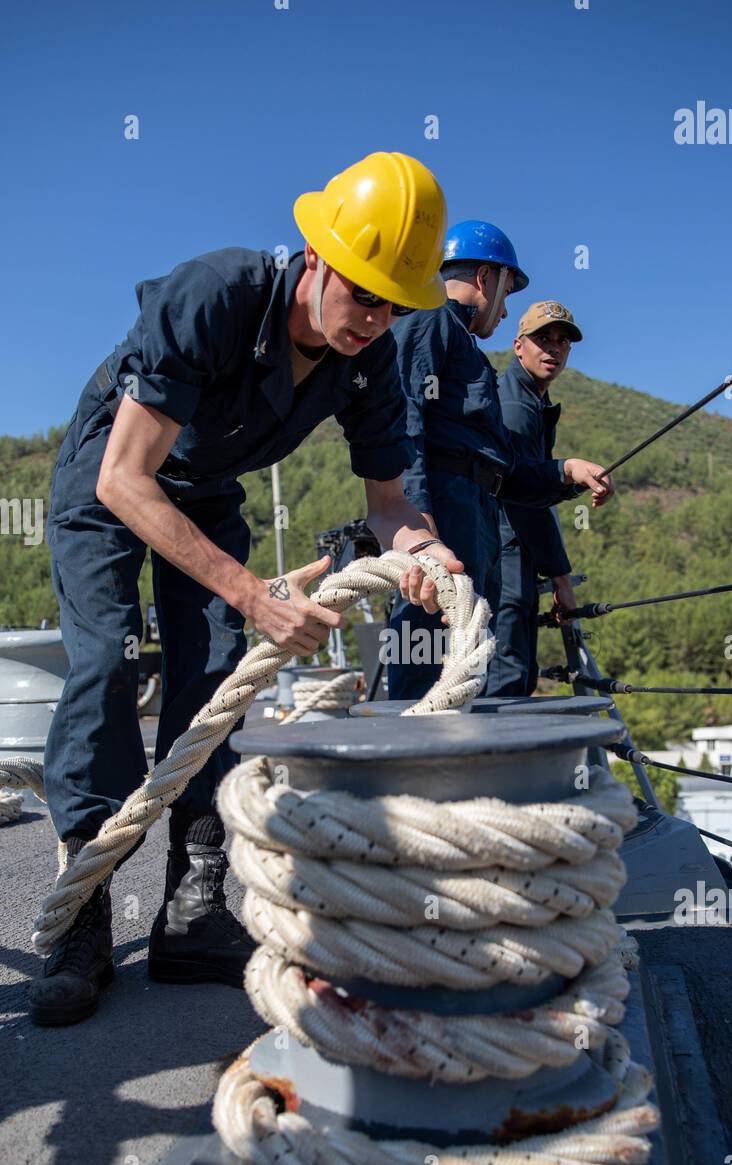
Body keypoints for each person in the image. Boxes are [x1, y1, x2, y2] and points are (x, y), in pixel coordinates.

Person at [31, 151, 461, 1028]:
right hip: (112, 474)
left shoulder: (368, 361)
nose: (374, 319)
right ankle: (82, 915)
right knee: (108, 661)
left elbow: (388, 507)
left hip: (208, 488)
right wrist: (258, 594)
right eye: (363, 292)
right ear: (317, 258)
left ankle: (194, 904)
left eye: (392, 303)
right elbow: (125, 478)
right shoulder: (214, 295)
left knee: (220, 671)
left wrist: (425, 552)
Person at [385, 220, 613, 701]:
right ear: (486, 278)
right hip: (447, 515)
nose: (506, 309)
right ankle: (415, 771)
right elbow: (404, 426)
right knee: (427, 672)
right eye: (508, 291)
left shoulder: (463, 345)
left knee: (466, 676)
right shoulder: (430, 321)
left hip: (475, 514)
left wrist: (566, 471)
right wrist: (421, 532)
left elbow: (504, 470)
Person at [486, 300, 583, 697]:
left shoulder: (531, 401)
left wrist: (570, 482)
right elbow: (524, 499)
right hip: (505, 550)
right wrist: (561, 578)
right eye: (542, 338)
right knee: (506, 673)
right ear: (518, 345)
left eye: (562, 341)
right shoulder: (515, 406)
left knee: (514, 667)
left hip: (512, 551)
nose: (554, 348)